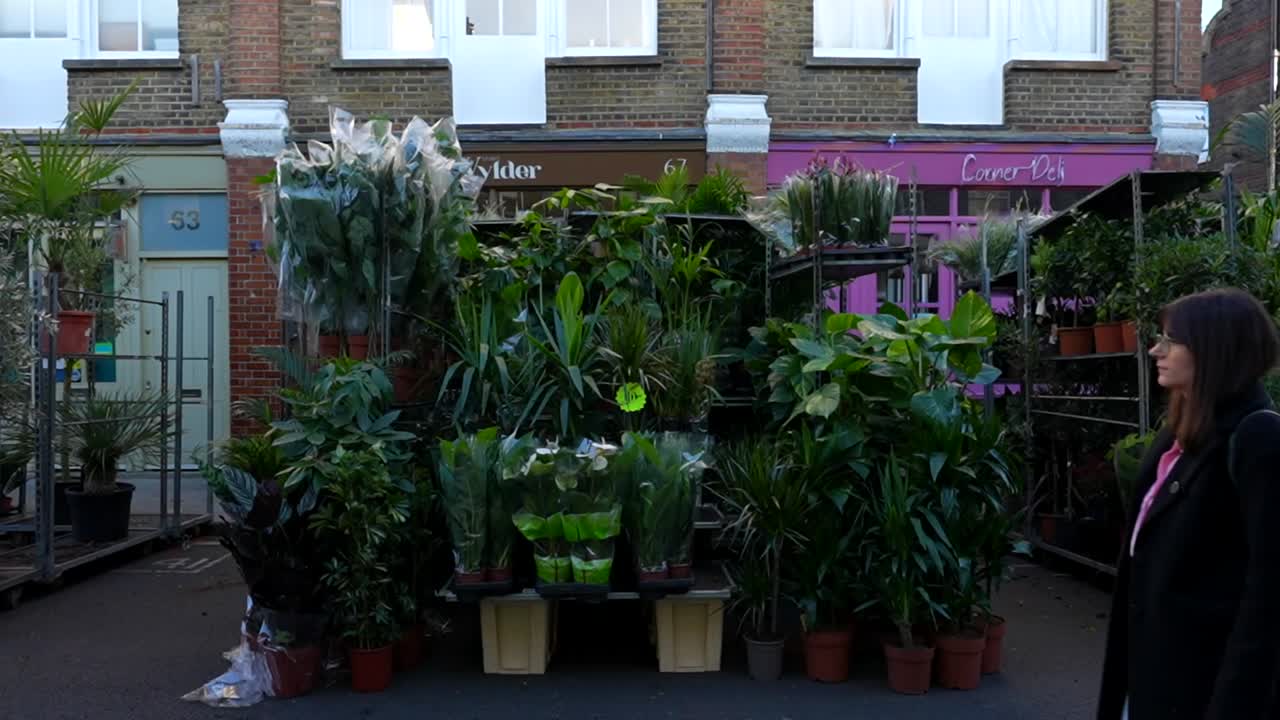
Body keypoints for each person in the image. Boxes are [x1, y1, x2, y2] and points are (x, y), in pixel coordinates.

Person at [1098, 288, 1280, 719]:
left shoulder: (1257, 438)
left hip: (1205, 688)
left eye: (1170, 339)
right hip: (1153, 678)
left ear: (1215, 350)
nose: (1155, 349)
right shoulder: (1179, 434)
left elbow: (1268, 596)